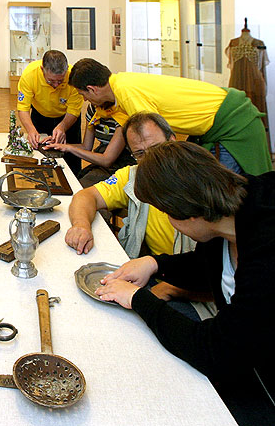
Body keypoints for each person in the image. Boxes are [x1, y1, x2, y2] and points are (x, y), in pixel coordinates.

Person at [96, 141, 275, 425]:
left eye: (167, 214)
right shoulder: (229, 216)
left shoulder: (266, 251)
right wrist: (156, 263)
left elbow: (215, 352)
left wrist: (139, 300)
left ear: (187, 211)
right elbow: (210, 266)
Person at [66, 112, 201, 304]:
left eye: (157, 148)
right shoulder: (133, 176)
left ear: (173, 140)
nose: (151, 159)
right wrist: (81, 225)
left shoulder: (201, 182)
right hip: (151, 275)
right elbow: (86, 196)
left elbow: (222, 276)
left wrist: (171, 289)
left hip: (191, 291)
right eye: (140, 153)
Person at [68, 58, 271, 176]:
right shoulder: (121, 83)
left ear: (91, 89)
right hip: (216, 126)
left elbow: (156, 143)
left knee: (221, 191)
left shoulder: (126, 91)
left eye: (82, 94)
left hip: (233, 123)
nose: (84, 100)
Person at [16, 50, 84, 174]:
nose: (56, 85)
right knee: (40, 153)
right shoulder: (30, 75)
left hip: (68, 118)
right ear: (42, 70)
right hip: (40, 115)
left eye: (60, 81)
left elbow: (74, 110)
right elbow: (23, 108)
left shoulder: (74, 77)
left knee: (71, 157)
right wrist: (31, 130)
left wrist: (62, 127)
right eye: (51, 81)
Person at [45, 103, 135, 187]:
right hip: (102, 162)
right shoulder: (93, 109)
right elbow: (86, 147)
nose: (84, 99)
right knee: (71, 181)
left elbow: (107, 160)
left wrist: (69, 148)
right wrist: (58, 145)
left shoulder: (121, 112)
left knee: (79, 189)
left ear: (93, 90)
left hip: (122, 165)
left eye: (85, 94)